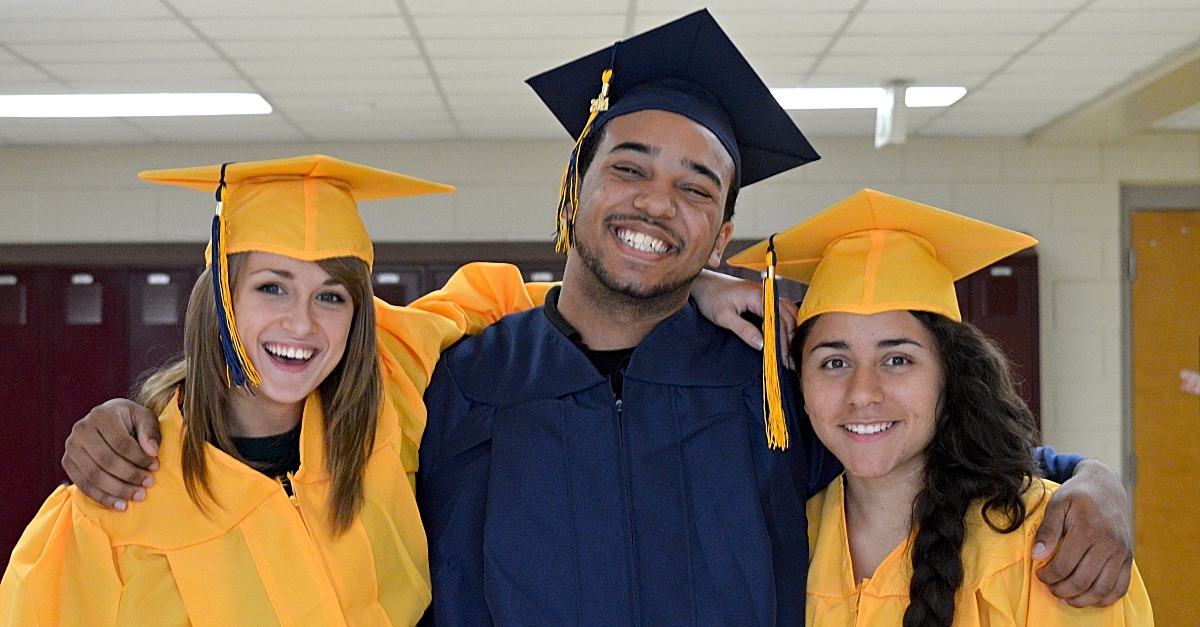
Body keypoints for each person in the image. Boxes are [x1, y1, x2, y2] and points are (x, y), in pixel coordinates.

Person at [415, 11, 1133, 627]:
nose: (658, 203)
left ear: (722, 238)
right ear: (576, 186)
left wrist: (1092, 480)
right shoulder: (456, 384)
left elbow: (923, 450)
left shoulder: (770, 387)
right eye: (629, 169)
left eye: (696, 187)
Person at [0, 155, 552, 625]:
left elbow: (508, 301)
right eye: (272, 288)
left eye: (331, 296)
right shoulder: (117, 505)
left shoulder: (391, 386)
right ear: (220, 300)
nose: (302, 324)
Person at [729, 189, 1152, 625]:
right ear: (799, 382)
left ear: (949, 376)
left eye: (897, 360)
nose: (863, 392)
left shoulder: (1050, 545)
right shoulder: (783, 538)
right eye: (835, 362)